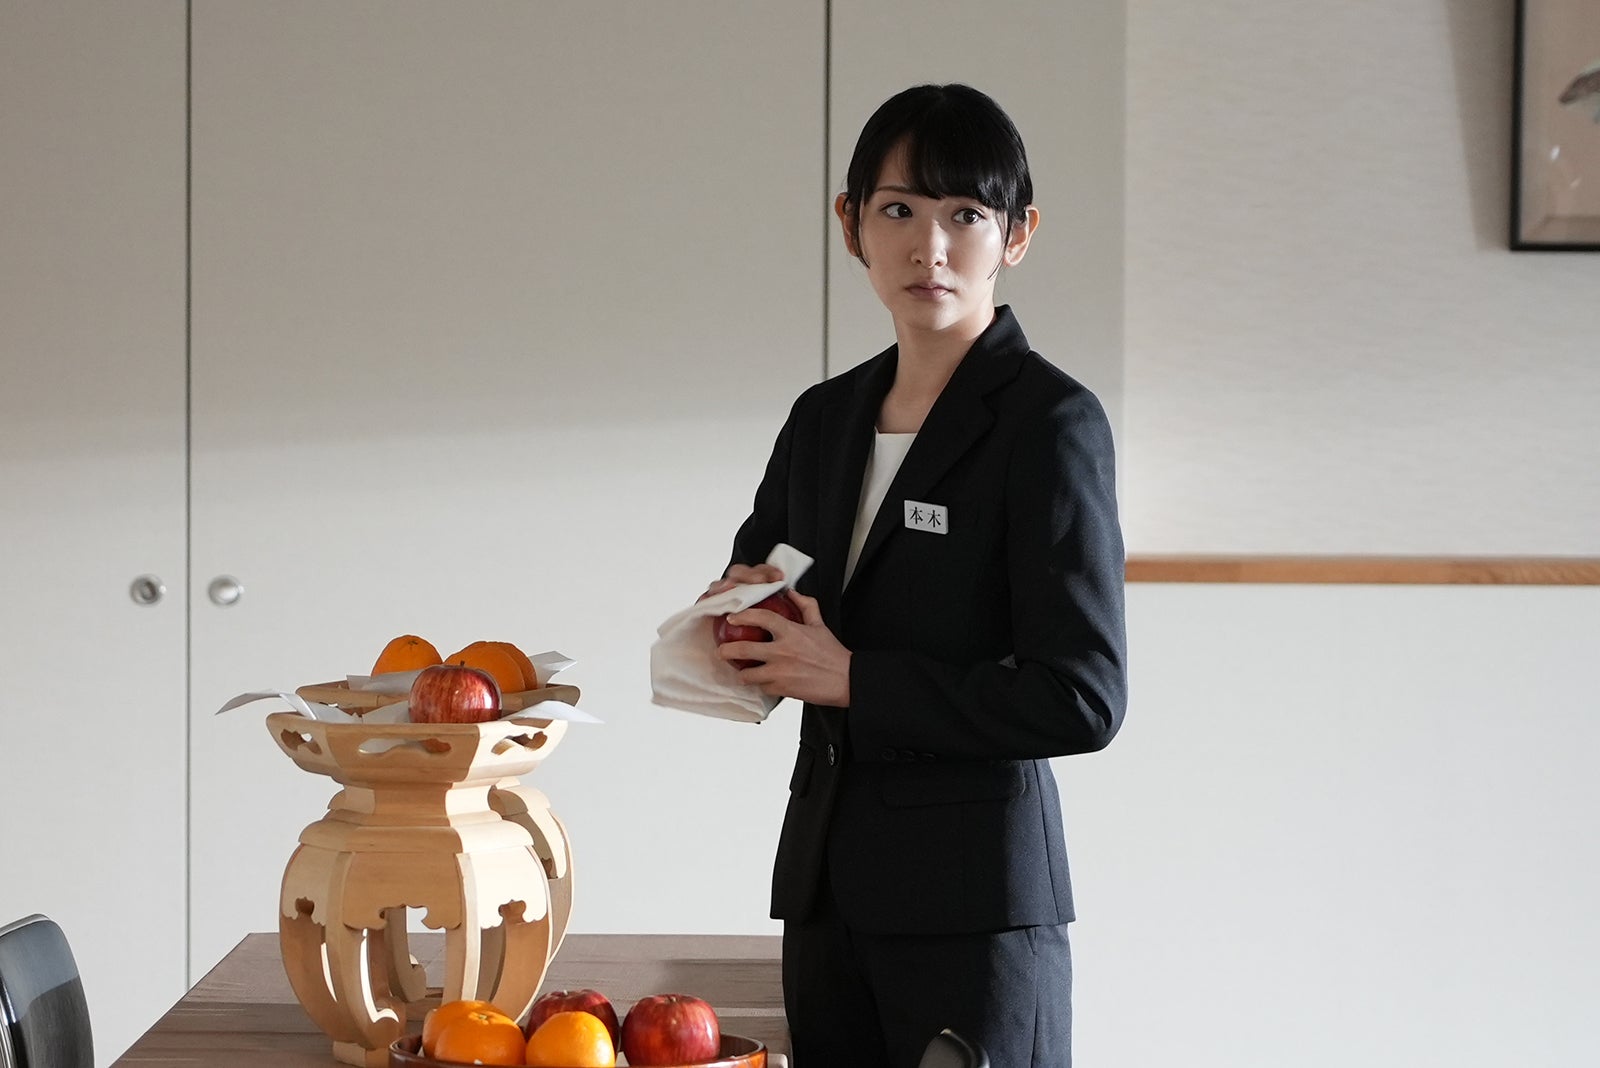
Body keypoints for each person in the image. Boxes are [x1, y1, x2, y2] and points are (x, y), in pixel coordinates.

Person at [706, 83, 1127, 1068]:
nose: (928, 247)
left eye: (965, 214)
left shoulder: (1050, 424)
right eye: (897, 209)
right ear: (850, 224)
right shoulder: (823, 419)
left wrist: (855, 678)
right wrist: (728, 633)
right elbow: (759, 594)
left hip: (976, 913)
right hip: (824, 896)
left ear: (1017, 235)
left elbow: (1082, 698)